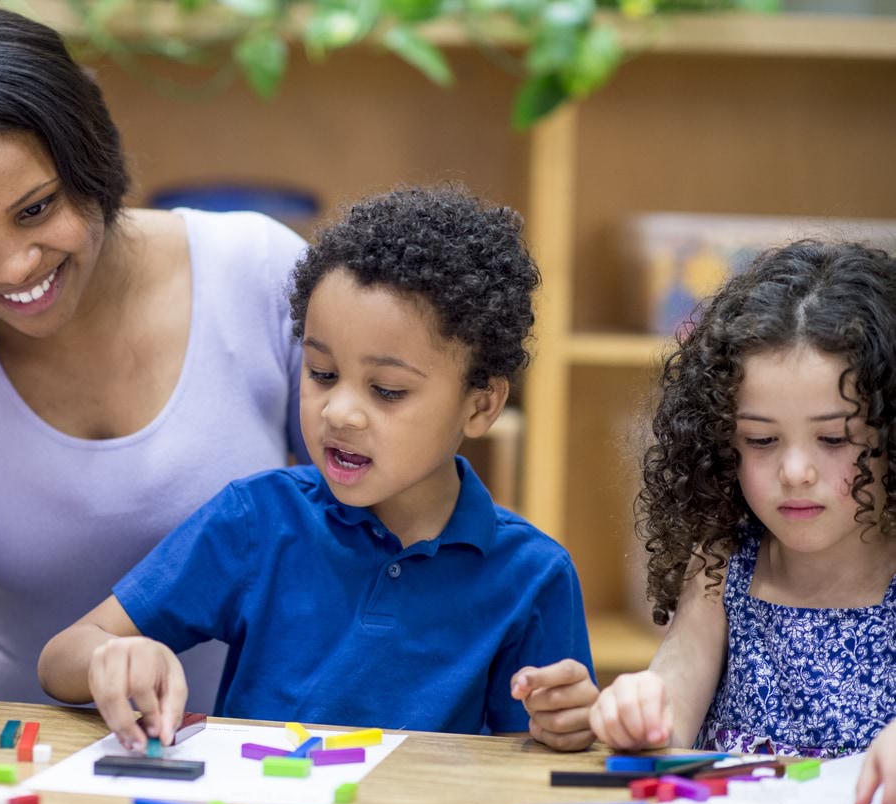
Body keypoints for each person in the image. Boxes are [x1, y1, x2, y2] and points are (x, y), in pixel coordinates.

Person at [0, 4, 309, 754]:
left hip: (271, 744)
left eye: (37, 208)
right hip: (17, 756)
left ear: (90, 154)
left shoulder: (256, 270)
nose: (17, 264)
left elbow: (369, 524)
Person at [38, 186, 597, 751]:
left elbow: (536, 761)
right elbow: (62, 657)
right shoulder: (258, 519)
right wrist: (113, 657)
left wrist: (566, 726)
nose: (339, 411)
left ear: (480, 405)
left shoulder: (533, 576)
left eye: (387, 390)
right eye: (322, 373)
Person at [584, 241, 896, 804]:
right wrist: (643, 708)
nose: (795, 472)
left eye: (832, 440)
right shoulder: (724, 556)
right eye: (761, 440)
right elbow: (676, 682)